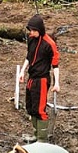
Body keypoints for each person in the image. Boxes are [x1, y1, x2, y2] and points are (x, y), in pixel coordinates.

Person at [19, 14, 59, 142]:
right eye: (30, 30)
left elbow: (55, 65)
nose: (32, 32)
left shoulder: (49, 44)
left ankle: (42, 139)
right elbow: (29, 56)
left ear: (40, 29)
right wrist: (22, 71)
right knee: (31, 107)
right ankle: (35, 135)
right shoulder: (31, 39)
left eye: (34, 30)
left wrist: (57, 83)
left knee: (40, 109)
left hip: (42, 80)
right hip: (32, 78)